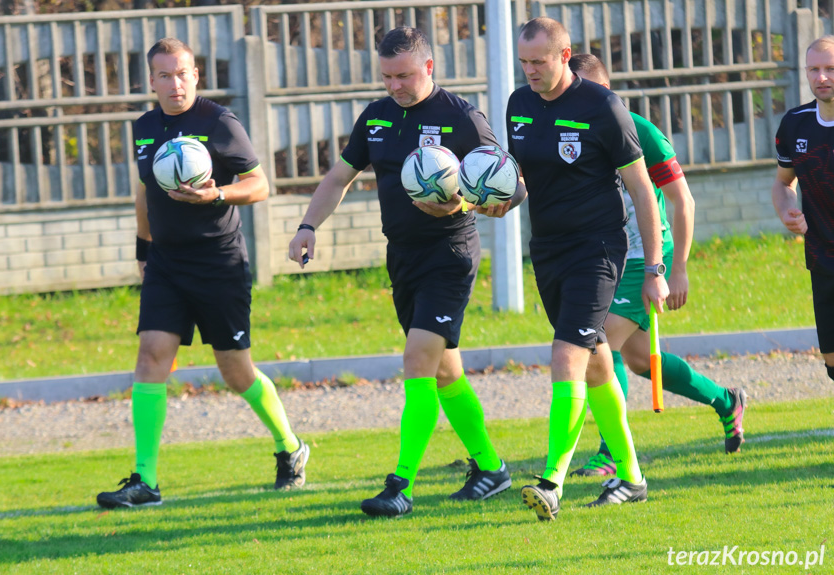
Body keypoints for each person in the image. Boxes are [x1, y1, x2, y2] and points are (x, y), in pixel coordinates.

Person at [288, 26, 525, 517]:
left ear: (429, 68)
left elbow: (510, 182)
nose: (394, 85)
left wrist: (476, 203)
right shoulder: (375, 117)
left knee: (418, 360)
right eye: (386, 76)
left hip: (450, 253)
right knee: (443, 372)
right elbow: (339, 177)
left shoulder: (460, 116)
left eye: (403, 75)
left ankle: (401, 486)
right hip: (403, 257)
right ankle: (491, 468)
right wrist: (308, 224)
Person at [96, 38, 308, 509]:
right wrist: (143, 249)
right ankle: (145, 481)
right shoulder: (145, 128)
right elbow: (143, 193)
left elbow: (260, 185)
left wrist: (217, 195)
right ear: (151, 81)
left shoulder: (218, 122)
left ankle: (290, 447)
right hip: (167, 265)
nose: (175, 83)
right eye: (165, 75)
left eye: (183, 73)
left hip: (219, 264)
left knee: (236, 372)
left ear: (197, 76)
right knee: (152, 355)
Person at [505, 18, 669, 521]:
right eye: (524, 62)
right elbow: (521, 179)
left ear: (564, 55)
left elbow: (642, 190)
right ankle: (634, 477)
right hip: (548, 249)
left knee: (566, 356)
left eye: (539, 62)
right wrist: (489, 202)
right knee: (596, 360)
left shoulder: (602, 108)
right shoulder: (519, 105)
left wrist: (657, 266)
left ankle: (552, 480)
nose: (530, 71)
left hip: (598, 249)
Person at [566, 54, 747, 478]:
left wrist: (674, 268)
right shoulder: (573, 131)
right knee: (640, 360)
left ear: (603, 91)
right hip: (601, 258)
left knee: (599, 342)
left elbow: (683, 201)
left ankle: (611, 451)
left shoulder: (640, 131)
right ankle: (727, 400)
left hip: (643, 257)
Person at [772, 36, 834, 389]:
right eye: (815, 69)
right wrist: (787, 210)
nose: (822, 77)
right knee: (831, 358)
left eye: (830, 69)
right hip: (822, 257)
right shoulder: (795, 124)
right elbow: (783, 183)